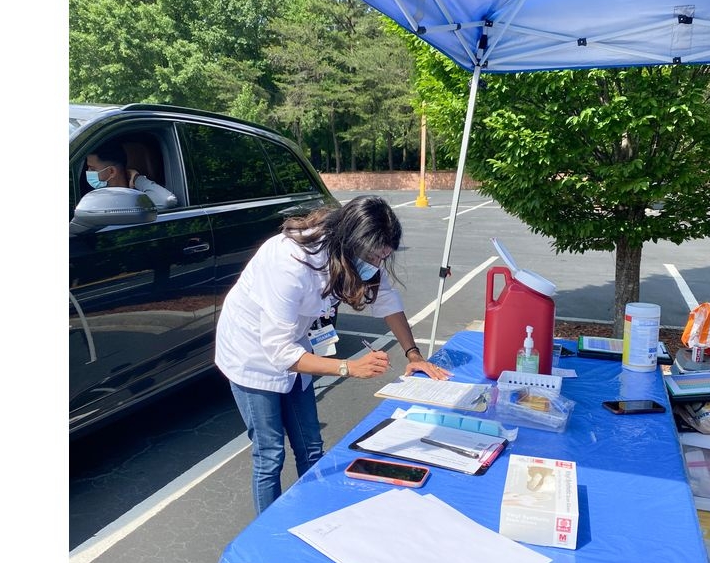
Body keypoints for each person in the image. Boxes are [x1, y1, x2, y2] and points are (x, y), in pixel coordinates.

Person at [215, 195, 452, 514]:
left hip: (293, 345)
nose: (376, 265)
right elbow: (279, 350)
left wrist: (413, 354)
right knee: (270, 454)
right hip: (251, 352)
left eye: (383, 258)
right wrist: (349, 368)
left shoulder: (353, 254)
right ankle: (267, 533)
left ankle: (315, 513)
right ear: (349, 240)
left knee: (310, 445)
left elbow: (386, 299)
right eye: (373, 256)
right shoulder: (290, 262)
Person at [84, 142, 178, 209]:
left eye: (92, 169)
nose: (88, 172)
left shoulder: (135, 198)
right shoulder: (92, 196)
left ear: (112, 171)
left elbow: (167, 201)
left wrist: (137, 179)